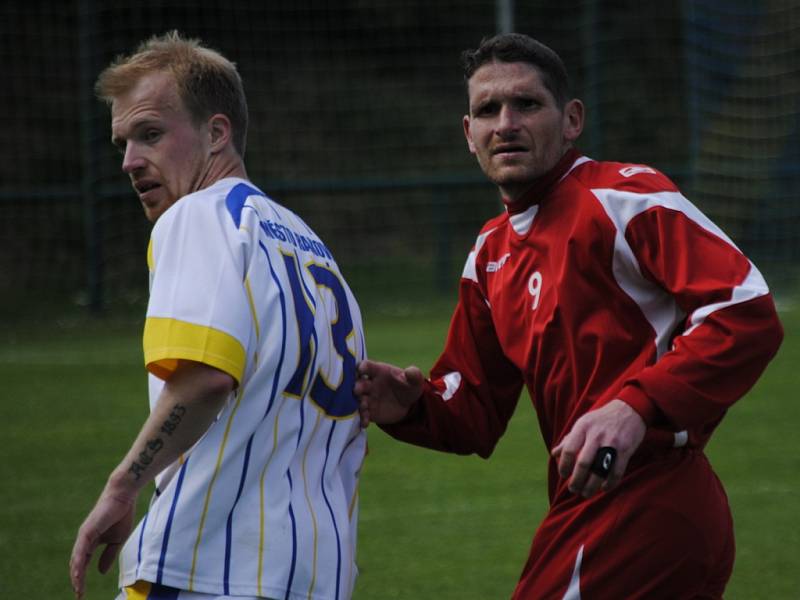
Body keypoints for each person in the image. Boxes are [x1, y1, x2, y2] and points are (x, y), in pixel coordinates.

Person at [355, 33, 783, 599]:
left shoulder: (625, 198)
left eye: (526, 104)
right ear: (469, 134)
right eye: (488, 110)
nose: (505, 123)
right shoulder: (488, 254)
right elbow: (473, 410)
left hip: (646, 499)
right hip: (589, 503)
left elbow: (745, 310)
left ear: (572, 119)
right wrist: (411, 408)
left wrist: (634, 407)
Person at [70, 31, 367, 600]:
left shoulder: (198, 217)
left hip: (206, 566)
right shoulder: (310, 247)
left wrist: (122, 486)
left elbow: (206, 375)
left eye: (150, 135)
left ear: (216, 133)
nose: (131, 162)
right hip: (314, 572)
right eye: (123, 143)